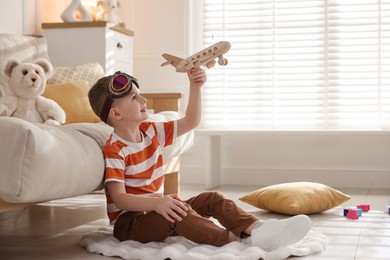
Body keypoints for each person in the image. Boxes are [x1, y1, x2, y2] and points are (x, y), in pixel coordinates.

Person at [88, 68, 312, 250]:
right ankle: (234, 241)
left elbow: (191, 122)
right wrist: (158, 202)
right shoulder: (115, 149)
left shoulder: (151, 131)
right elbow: (120, 199)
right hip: (131, 224)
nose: (143, 99)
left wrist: (195, 87)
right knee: (178, 214)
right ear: (116, 114)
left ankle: (257, 230)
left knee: (212, 198)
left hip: (157, 209)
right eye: (134, 98)